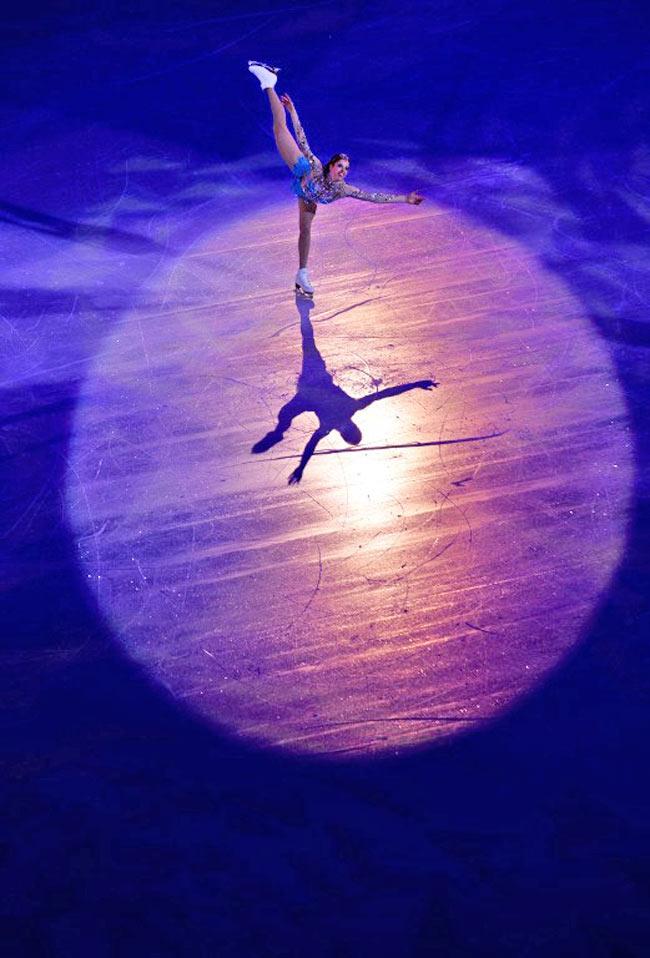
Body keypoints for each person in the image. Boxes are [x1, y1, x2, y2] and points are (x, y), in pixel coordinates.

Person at [248, 60, 424, 297]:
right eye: (340, 166)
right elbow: (302, 140)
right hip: (300, 169)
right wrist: (293, 111)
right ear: (331, 166)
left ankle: (302, 273)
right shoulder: (315, 166)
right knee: (281, 128)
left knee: (305, 231)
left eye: (347, 168)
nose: (344, 170)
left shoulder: (343, 189)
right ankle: (269, 82)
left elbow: (374, 197)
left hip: (307, 195)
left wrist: (405, 199)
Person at [252, 295, 437, 484]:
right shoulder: (336, 420)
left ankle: (304, 311)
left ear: (351, 427)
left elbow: (384, 394)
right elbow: (311, 446)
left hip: (312, 384)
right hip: (308, 389)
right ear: (344, 432)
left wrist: (416, 384)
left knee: (307, 343)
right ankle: (280, 429)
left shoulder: (351, 408)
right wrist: (301, 467)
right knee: (286, 413)